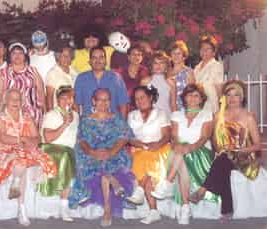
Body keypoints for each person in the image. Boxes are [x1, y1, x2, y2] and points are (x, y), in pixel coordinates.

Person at [189, 80, 261, 221]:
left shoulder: (249, 116)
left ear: (242, 98)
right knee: (224, 163)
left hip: (245, 157)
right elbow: (214, 140)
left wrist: (239, 150)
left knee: (224, 160)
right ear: (224, 98)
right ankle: (227, 210)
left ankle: (203, 191)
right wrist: (220, 149)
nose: (232, 99)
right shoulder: (218, 116)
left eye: (236, 95)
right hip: (225, 156)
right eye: (229, 95)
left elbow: (258, 145)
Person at [69, 88, 140, 227]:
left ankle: (107, 210)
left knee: (107, 163)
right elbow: (81, 140)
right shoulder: (86, 119)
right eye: (100, 99)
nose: (104, 103)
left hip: (113, 152)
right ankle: (112, 180)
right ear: (93, 101)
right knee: (97, 162)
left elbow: (125, 137)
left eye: (107, 99)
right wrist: (91, 152)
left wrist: (111, 151)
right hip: (91, 153)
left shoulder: (117, 117)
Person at [0, 89, 56, 226]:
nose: (15, 102)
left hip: (24, 149)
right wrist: (24, 139)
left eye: (18, 99)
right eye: (12, 99)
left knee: (23, 160)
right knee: (20, 162)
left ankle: (16, 185)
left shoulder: (27, 116)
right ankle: (21, 209)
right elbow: (3, 138)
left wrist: (28, 141)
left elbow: (37, 138)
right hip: (3, 150)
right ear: (5, 100)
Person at [151, 84, 218, 224]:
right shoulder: (176, 115)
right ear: (184, 98)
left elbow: (204, 138)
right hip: (179, 151)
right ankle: (185, 208)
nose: (192, 98)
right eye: (189, 95)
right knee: (181, 156)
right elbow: (174, 138)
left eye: (196, 96)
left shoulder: (207, 114)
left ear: (201, 99)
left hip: (201, 152)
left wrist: (190, 147)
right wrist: (179, 147)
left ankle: (167, 183)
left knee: (181, 155)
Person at [128, 86, 172, 224]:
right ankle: (154, 211)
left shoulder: (161, 113)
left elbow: (167, 136)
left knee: (150, 159)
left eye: (142, 97)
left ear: (150, 97)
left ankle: (140, 189)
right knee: (144, 160)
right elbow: (129, 138)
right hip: (140, 149)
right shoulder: (132, 115)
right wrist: (140, 145)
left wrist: (157, 144)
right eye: (136, 99)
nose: (140, 101)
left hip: (159, 148)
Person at [37, 86, 78, 222]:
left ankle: (73, 200)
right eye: (63, 98)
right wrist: (64, 124)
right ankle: (63, 207)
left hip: (69, 149)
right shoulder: (51, 115)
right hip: (52, 148)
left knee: (75, 156)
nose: (67, 101)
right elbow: (48, 138)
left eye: (70, 98)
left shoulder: (76, 115)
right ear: (57, 100)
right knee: (65, 156)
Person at [0, 42, 46, 127]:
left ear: (25, 56)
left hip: (33, 116)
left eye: (20, 52)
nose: (17, 55)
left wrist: (45, 115)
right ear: (10, 56)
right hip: (9, 117)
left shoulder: (33, 71)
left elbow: (41, 94)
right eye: (14, 53)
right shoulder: (3, 73)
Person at [74, 46, 128, 119]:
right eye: (94, 57)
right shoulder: (81, 78)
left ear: (106, 61)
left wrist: (123, 124)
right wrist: (79, 123)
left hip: (112, 123)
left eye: (101, 57)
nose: (98, 60)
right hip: (89, 123)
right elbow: (76, 104)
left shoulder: (116, 78)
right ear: (89, 61)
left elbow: (123, 103)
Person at [194, 35, 224, 113]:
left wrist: (222, 109)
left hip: (211, 107)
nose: (204, 51)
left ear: (214, 52)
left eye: (208, 49)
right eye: (202, 49)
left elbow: (219, 89)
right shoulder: (197, 68)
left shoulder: (216, 66)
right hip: (197, 107)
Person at [45, 42, 78, 110]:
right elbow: (49, 97)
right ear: (58, 57)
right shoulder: (52, 73)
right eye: (63, 55)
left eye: (68, 56)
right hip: (58, 112)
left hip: (73, 112)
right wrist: (52, 115)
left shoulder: (75, 72)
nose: (66, 58)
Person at [167, 40, 194, 111]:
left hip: (182, 110)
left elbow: (192, 95)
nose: (176, 56)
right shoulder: (167, 72)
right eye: (173, 53)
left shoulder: (188, 72)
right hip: (167, 110)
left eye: (179, 53)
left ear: (184, 56)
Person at [142, 51, 172, 115]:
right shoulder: (145, 82)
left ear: (166, 65)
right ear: (151, 65)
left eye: (161, 63)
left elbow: (173, 104)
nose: (158, 65)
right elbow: (141, 103)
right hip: (150, 117)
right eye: (155, 63)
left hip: (166, 116)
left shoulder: (171, 82)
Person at [121, 44, 149, 111]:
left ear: (142, 57)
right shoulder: (120, 72)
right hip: (123, 106)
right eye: (133, 54)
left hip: (141, 106)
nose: (136, 57)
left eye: (139, 54)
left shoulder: (147, 72)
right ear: (128, 57)